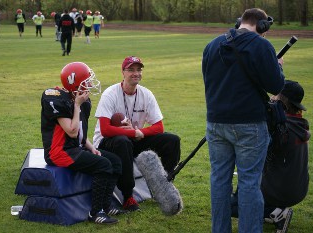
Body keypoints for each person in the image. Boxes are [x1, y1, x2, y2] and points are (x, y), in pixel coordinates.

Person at [202, 8, 285, 233]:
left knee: (219, 180)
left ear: (240, 22)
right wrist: (277, 66)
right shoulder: (262, 46)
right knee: (249, 182)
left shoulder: (211, 45)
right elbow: (276, 86)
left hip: (216, 123)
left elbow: (209, 84)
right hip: (250, 125)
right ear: (262, 26)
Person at [93, 56, 181, 211]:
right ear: (123, 72)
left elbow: (159, 127)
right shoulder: (110, 94)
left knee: (172, 140)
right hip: (107, 143)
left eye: (139, 70)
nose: (136, 73)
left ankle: (163, 185)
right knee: (123, 141)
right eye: (131, 70)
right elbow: (105, 129)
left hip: (132, 139)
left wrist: (138, 132)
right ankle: (128, 197)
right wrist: (132, 134)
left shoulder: (146, 94)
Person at [41, 62, 125, 224]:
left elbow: (79, 133)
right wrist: (77, 105)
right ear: (75, 83)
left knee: (115, 162)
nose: (90, 84)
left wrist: (91, 147)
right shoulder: (58, 99)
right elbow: (71, 130)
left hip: (75, 147)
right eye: (86, 81)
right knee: (103, 165)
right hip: (59, 152)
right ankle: (95, 212)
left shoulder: (83, 102)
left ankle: (106, 205)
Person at [261, 80, 310, 232]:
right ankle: (275, 211)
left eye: (276, 95)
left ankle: (275, 213)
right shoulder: (300, 124)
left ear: (282, 101)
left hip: (279, 191)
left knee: (235, 204)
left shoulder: (281, 128)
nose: (272, 98)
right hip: (299, 189)